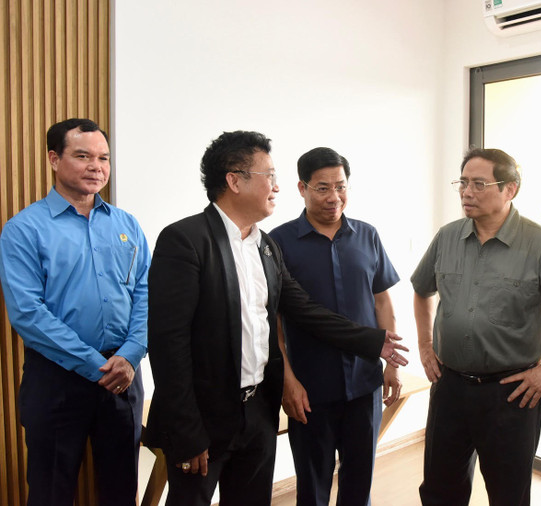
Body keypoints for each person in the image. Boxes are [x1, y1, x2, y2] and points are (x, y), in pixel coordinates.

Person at [144, 131, 408, 506]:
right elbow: (168, 346)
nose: (277, 186)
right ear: (234, 180)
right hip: (205, 416)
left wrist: (373, 342)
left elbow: (306, 311)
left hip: (257, 413)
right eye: (269, 174)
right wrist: (186, 432)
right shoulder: (185, 240)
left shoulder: (265, 246)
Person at [412, 147, 541, 506]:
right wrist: (425, 345)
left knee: (508, 494)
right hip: (449, 386)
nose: (467, 192)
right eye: (463, 183)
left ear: (509, 189)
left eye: (479, 184)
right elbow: (421, 289)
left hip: (510, 394)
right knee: (440, 489)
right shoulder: (447, 237)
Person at [0, 118, 150, 505]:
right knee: (51, 490)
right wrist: (96, 366)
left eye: (103, 158)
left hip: (123, 375)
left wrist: (131, 354)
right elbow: (28, 314)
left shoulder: (126, 225)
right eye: (82, 156)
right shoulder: (24, 229)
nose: (96, 166)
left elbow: (146, 294)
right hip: (57, 379)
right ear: (54, 158)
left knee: (121, 490)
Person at [269, 146, 401, 505]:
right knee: (313, 487)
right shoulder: (278, 242)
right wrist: (288, 382)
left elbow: (381, 300)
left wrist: (391, 365)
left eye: (340, 186)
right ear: (302, 188)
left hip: (364, 383)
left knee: (360, 483)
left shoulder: (368, 234)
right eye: (322, 188)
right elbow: (275, 321)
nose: (334, 197)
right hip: (310, 388)